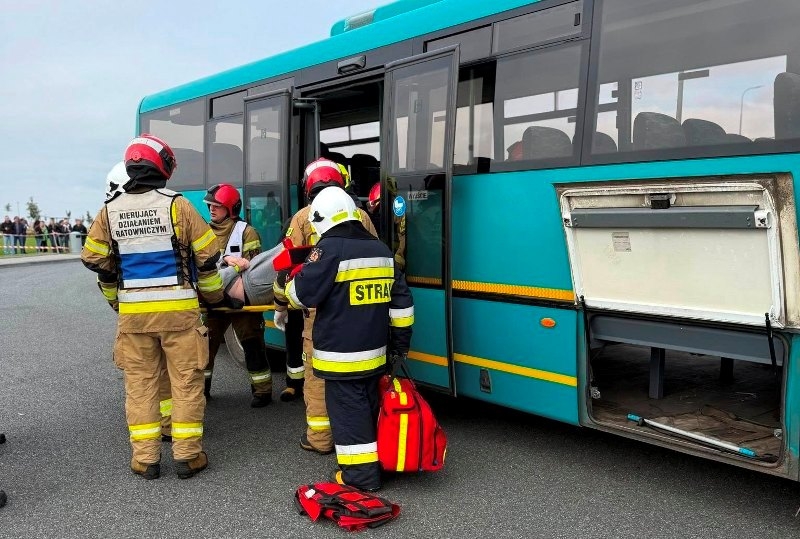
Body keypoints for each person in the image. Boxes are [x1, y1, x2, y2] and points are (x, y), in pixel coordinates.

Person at [81, 134, 225, 480]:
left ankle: (145, 459)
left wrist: (119, 292)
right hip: (179, 313)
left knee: (141, 384)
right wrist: (216, 298)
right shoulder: (177, 205)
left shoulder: (109, 210)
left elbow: (95, 258)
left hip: (134, 317)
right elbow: (207, 257)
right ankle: (188, 456)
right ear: (161, 166)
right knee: (186, 381)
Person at [278, 185, 414, 492]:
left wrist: (290, 278)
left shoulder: (329, 250)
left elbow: (300, 296)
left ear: (322, 219)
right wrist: (400, 345)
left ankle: (361, 476)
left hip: (340, 357)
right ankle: (375, 462)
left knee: (349, 414)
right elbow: (402, 305)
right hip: (376, 354)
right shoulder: (381, 251)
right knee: (368, 408)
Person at [273, 158, 378, 455]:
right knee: (361, 375)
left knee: (318, 376)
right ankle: (362, 436)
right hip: (360, 303)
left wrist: (281, 305)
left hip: (317, 311)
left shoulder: (302, 218)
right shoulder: (362, 217)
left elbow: (287, 265)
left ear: (309, 187)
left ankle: (320, 439)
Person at [203, 183, 273, 407]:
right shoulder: (203, 231)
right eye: (210, 205)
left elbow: (254, 269)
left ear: (231, 208)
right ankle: (201, 391)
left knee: (251, 342)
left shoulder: (246, 231)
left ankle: (262, 391)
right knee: (205, 345)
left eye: (217, 206)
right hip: (213, 298)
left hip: (240, 299)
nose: (212, 209)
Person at [366, 181, 406, 271]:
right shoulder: (388, 225)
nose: (379, 214)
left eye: (380, 210)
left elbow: (402, 245)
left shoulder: (399, 217)